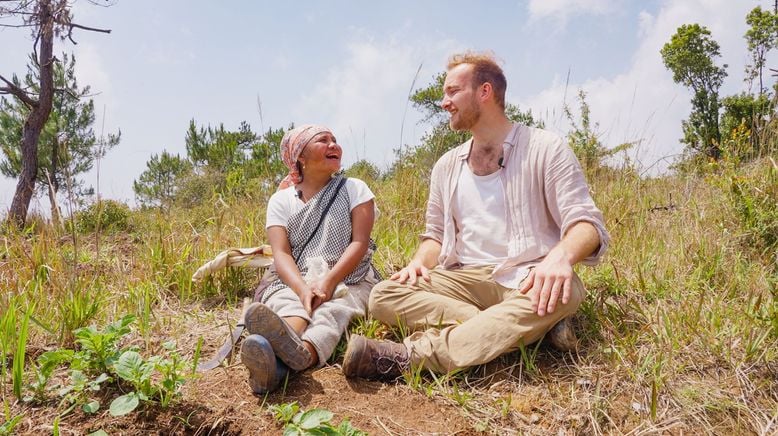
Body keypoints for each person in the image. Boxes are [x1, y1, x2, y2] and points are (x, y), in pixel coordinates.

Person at [342, 51, 609, 379]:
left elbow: (587, 224)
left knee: (562, 295)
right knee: (384, 294)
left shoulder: (545, 147)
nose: (444, 102)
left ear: (485, 92)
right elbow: (434, 237)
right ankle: (518, 330)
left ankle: (409, 357)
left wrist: (561, 257)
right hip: (463, 278)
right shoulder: (446, 166)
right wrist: (417, 264)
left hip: (528, 277)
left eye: (452, 91)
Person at [241, 124, 380, 394]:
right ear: (300, 157)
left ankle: (297, 355)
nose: (333, 145)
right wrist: (303, 289)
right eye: (323, 140)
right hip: (298, 277)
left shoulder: (354, 188)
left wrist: (328, 282)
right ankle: (284, 354)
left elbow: (360, 243)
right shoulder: (281, 201)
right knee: (286, 300)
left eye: (335, 140)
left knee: (333, 311)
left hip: (350, 277)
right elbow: (281, 253)